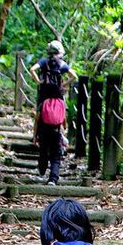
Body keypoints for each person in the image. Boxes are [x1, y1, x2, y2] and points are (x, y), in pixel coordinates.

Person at [30, 40, 77, 185]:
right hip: (58, 101)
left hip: (44, 100)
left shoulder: (44, 62)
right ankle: (53, 177)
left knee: (39, 119)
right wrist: (64, 84)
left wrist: (39, 81)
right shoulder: (62, 64)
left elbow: (32, 69)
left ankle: (36, 139)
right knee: (59, 123)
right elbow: (74, 76)